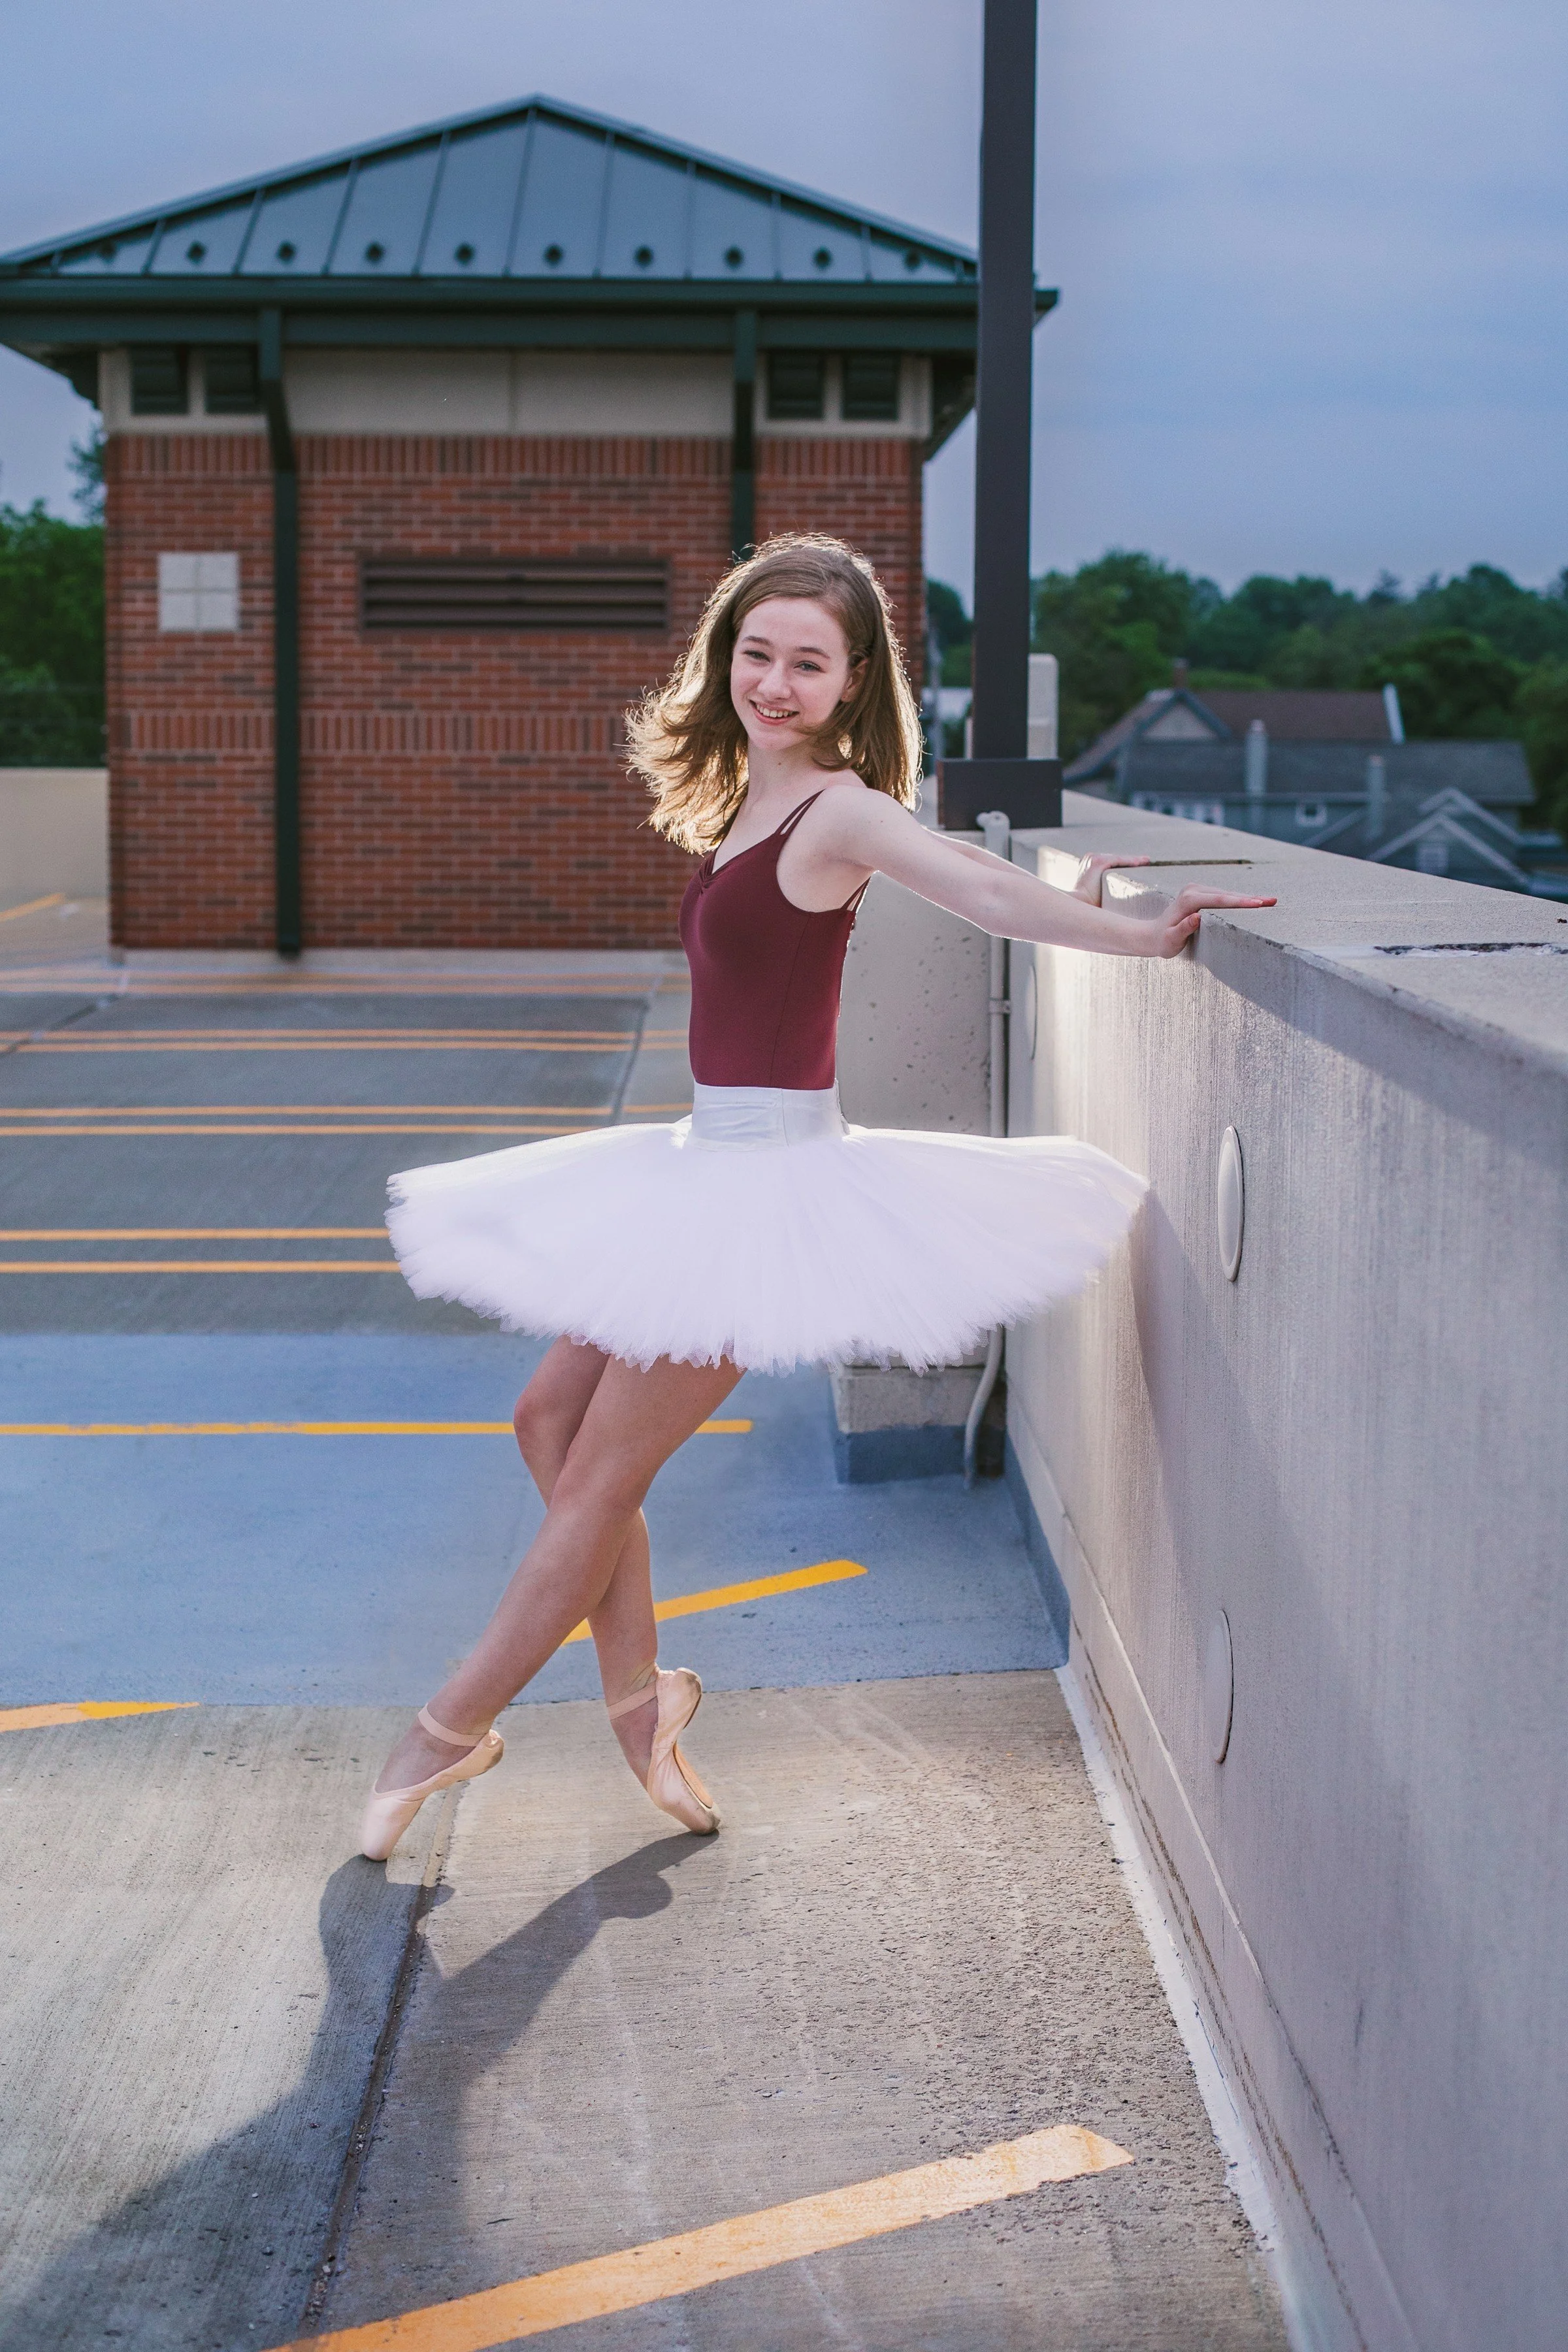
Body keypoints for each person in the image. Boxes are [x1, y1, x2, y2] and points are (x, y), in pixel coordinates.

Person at [361, 534, 1275, 1861]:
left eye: (807, 664)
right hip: (700, 1164)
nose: (775, 684)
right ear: (723, 658)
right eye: (756, 653)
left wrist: (1138, 929)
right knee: (549, 1420)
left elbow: (974, 889)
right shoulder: (743, 798)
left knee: (599, 1471)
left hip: (768, 1190)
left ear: (852, 687)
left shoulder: (838, 809)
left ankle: (443, 1734)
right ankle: (642, 1704)